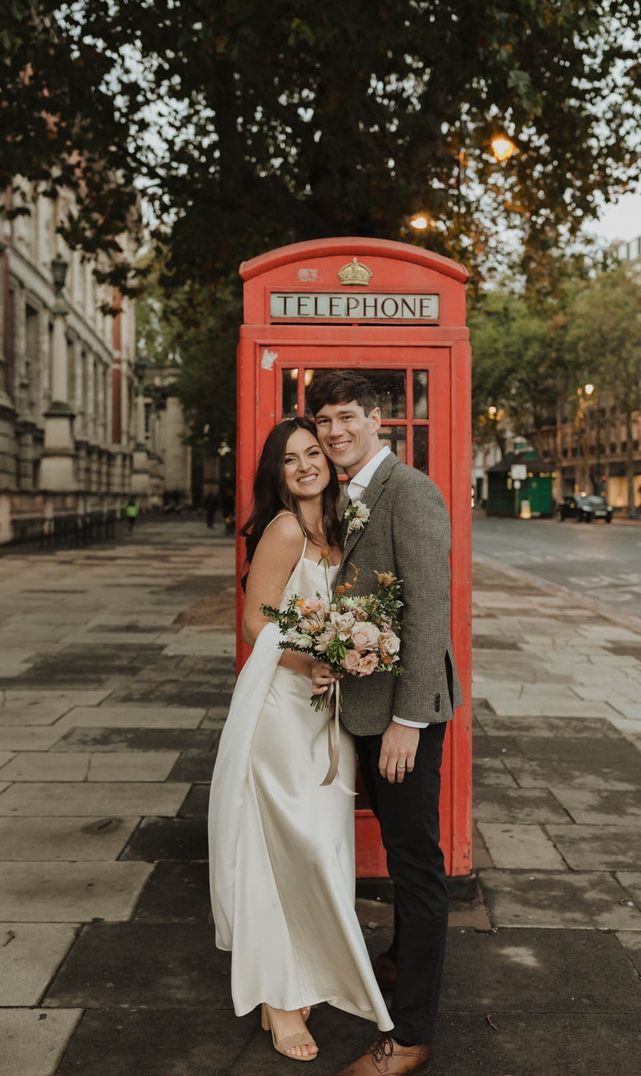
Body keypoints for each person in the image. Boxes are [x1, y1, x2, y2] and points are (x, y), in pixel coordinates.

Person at [208, 416, 392, 1064]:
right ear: (277, 475)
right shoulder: (286, 528)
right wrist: (309, 655)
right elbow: (254, 616)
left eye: (313, 453)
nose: (305, 466)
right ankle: (279, 997)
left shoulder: (344, 527)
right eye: (290, 460)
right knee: (289, 845)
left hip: (327, 713)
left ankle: (295, 974)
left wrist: (361, 646)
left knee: (325, 848)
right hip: (283, 710)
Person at [306, 370, 461, 1076]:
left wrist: (408, 721)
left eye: (346, 417)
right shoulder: (349, 494)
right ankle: (399, 960)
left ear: (377, 419)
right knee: (402, 855)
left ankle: (413, 1034)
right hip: (363, 707)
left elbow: (430, 613)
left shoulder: (411, 491)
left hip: (402, 715)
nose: (334, 431)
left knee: (417, 866)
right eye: (323, 420)